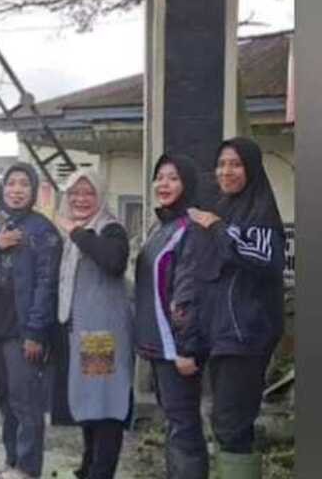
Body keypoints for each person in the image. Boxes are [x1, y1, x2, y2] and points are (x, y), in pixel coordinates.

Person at [187, 137, 285, 479]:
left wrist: (217, 227)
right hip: (220, 334)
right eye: (222, 164)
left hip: (247, 334)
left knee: (232, 424)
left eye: (236, 164)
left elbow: (263, 257)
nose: (226, 171)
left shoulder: (260, 212)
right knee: (225, 422)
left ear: (252, 169)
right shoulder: (222, 207)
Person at [0, 162, 62, 479]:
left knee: (26, 402)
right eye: (11, 183)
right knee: (5, 399)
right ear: (2, 188)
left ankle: (27, 467)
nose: (17, 190)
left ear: (33, 191)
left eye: (24, 184)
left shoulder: (43, 230)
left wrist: (36, 332)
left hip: (22, 330)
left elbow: (47, 285)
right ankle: (11, 462)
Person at [134, 153, 217, 479]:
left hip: (177, 348)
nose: (163, 184)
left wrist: (186, 348)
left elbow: (190, 291)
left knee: (184, 427)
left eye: (173, 178)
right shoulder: (162, 227)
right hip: (158, 346)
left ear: (187, 184)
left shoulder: (190, 229)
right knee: (174, 423)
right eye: (160, 177)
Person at [53, 171, 133, 479]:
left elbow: (113, 261)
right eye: (74, 193)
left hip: (103, 337)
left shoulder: (110, 228)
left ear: (101, 196)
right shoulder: (76, 234)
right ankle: (88, 466)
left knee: (106, 406)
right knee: (89, 402)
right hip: (83, 334)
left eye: (88, 193)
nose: (80, 199)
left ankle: (101, 471)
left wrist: (76, 232)